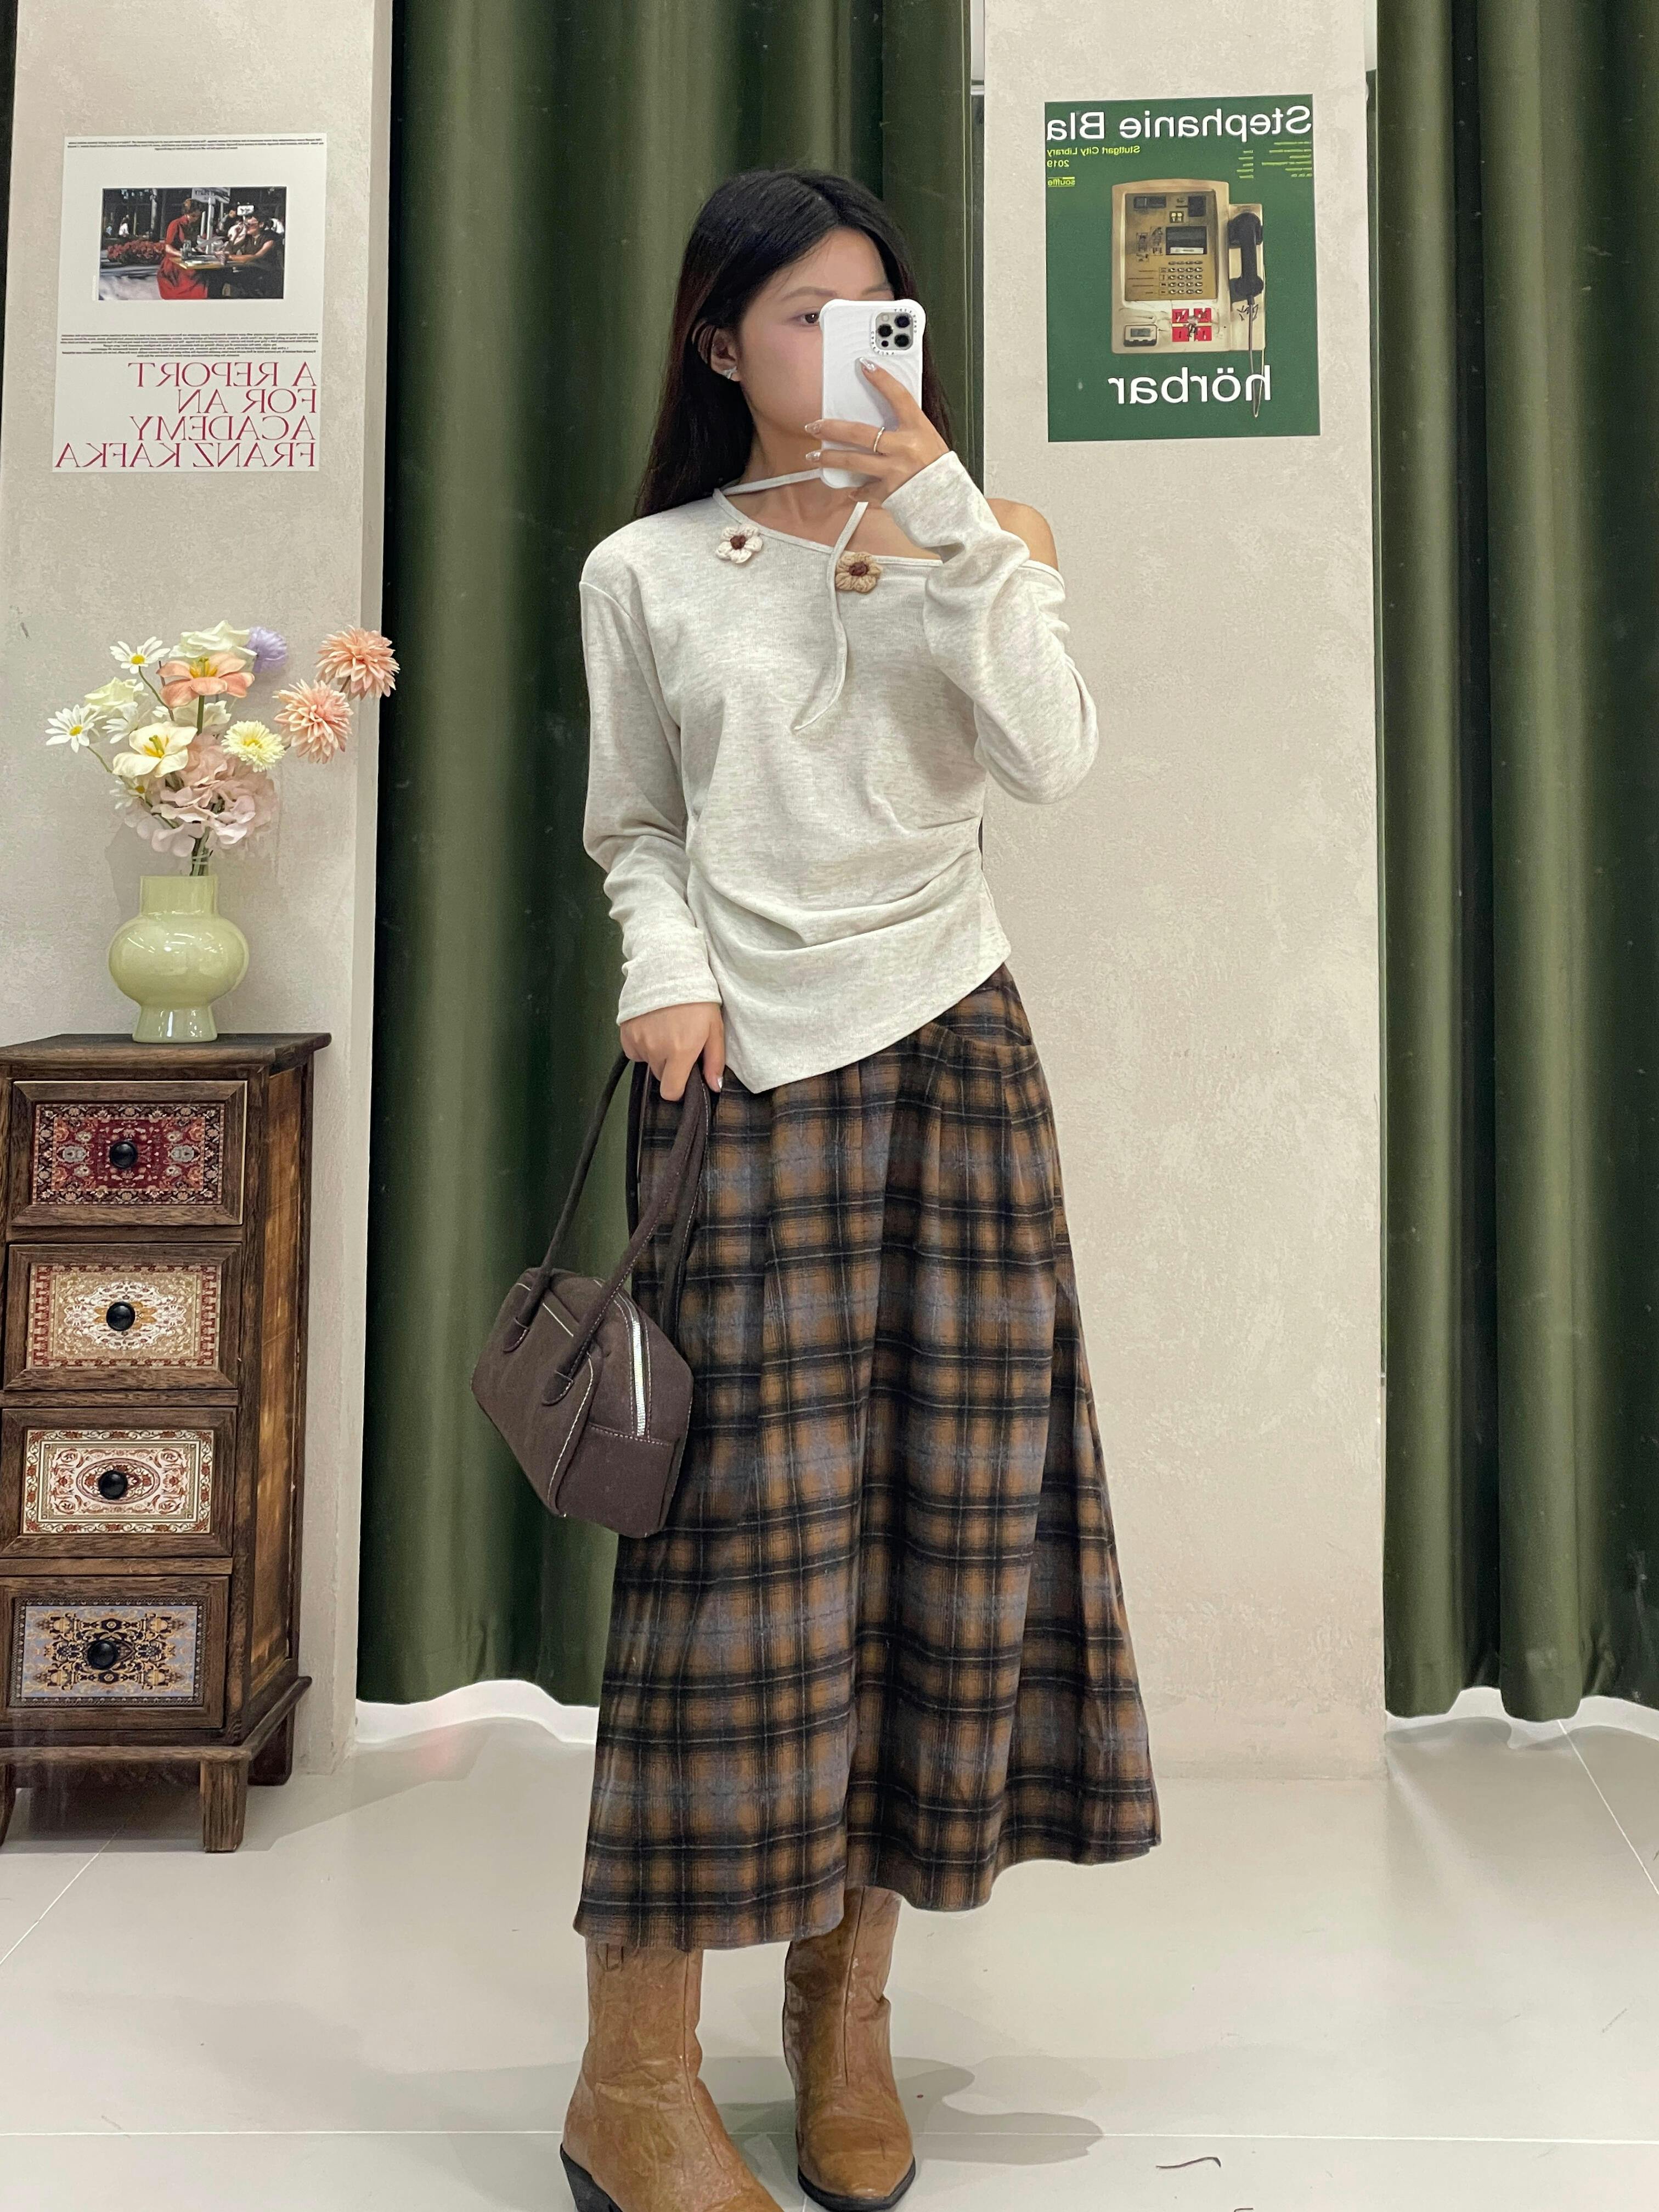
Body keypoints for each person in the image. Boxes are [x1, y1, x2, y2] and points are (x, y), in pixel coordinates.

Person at [562, 166, 1160, 2212]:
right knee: (727, 1571)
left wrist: (950, 520)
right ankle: (635, 2076)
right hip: (738, 1065)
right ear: (717, 340)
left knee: (933, 1539)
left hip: (954, 1058)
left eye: (870, 312)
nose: (840, 351)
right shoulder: (644, 567)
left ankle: (845, 2015)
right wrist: (664, 969)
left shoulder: (980, 538)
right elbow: (636, 822)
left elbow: (1052, 761)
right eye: (798, 316)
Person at [156, 196, 208, 302]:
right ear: (186, 213)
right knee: (196, 275)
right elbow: (168, 247)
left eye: (198, 216)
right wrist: (181, 254)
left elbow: (193, 245)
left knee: (206, 271)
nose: (196, 219)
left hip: (188, 259)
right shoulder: (175, 224)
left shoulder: (193, 226)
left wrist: (200, 251)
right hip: (174, 261)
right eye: (193, 216)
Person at [221, 212, 284, 300]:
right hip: (251, 271)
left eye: (249, 225)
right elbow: (228, 251)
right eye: (245, 225)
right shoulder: (248, 237)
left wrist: (230, 257)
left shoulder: (271, 238)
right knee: (220, 276)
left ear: (261, 224)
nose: (246, 227)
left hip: (267, 276)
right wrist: (235, 236)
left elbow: (256, 256)